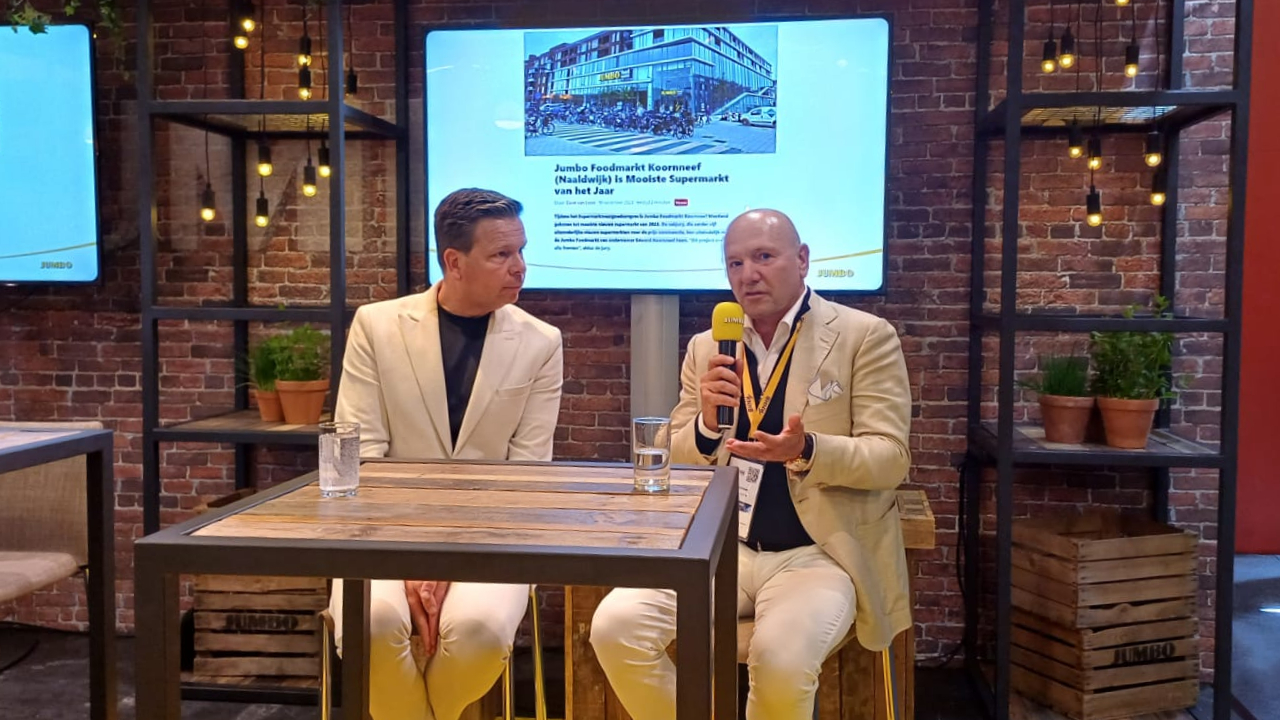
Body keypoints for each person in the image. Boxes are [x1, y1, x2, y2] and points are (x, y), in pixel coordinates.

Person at [589, 209, 912, 720]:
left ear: (802, 260)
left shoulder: (863, 336)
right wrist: (705, 425)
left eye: (763, 256)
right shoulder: (708, 347)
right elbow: (678, 457)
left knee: (780, 662)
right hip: (723, 550)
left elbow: (890, 458)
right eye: (735, 263)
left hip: (817, 554)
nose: (748, 274)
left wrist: (806, 450)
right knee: (615, 628)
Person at [328, 188, 564, 720]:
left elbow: (526, 475)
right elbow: (362, 459)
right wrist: (415, 559)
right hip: (384, 532)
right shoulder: (377, 326)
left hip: (495, 535)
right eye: (501, 254)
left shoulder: (541, 341)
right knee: (372, 625)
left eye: (521, 251)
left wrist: (450, 561)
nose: (520, 267)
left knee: (477, 632)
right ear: (454, 262)